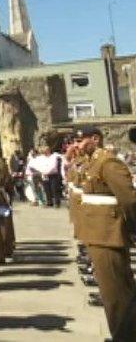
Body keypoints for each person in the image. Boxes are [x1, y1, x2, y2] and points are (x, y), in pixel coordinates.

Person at [75, 127, 136, 341]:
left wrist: (132, 228)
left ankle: (124, 335)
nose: (78, 145)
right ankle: (123, 332)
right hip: (98, 234)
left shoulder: (108, 163)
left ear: (95, 139)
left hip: (109, 235)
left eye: (81, 140)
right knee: (113, 292)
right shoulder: (93, 162)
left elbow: (129, 199)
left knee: (116, 294)